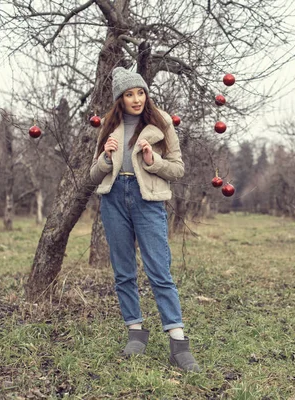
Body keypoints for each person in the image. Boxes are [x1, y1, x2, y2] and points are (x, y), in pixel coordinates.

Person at [90, 67, 199, 372]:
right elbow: (92, 174)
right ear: (119, 100)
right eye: (129, 94)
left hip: (147, 199)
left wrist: (153, 161)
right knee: (123, 271)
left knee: (159, 270)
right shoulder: (108, 128)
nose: (136, 99)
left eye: (140, 92)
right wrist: (105, 159)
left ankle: (178, 343)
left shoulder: (161, 123)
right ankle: (135, 333)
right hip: (114, 199)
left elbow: (177, 169)